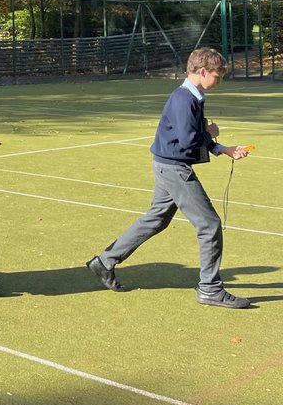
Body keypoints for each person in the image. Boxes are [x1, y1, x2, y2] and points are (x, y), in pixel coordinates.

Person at [87, 47, 252, 308]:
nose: (220, 80)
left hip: (167, 165)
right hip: (174, 169)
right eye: (217, 76)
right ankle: (210, 288)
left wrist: (223, 149)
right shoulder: (184, 99)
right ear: (202, 71)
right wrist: (209, 133)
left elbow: (192, 135)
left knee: (157, 219)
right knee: (209, 225)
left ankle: (104, 262)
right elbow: (189, 140)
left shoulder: (193, 96)